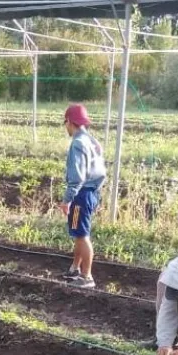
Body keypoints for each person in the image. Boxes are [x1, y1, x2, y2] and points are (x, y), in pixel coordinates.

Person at [59, 104, 107, 289]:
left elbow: (77, 177)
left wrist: (67, 200)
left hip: (81, 193)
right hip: (93, 191)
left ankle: (87, 277)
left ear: (70, 122)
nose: (66, 127)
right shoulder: (93, 141)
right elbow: (101, 170)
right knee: (80, 232)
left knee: (82, 235)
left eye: (65, 123)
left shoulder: (77, 143)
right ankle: (74, 269)